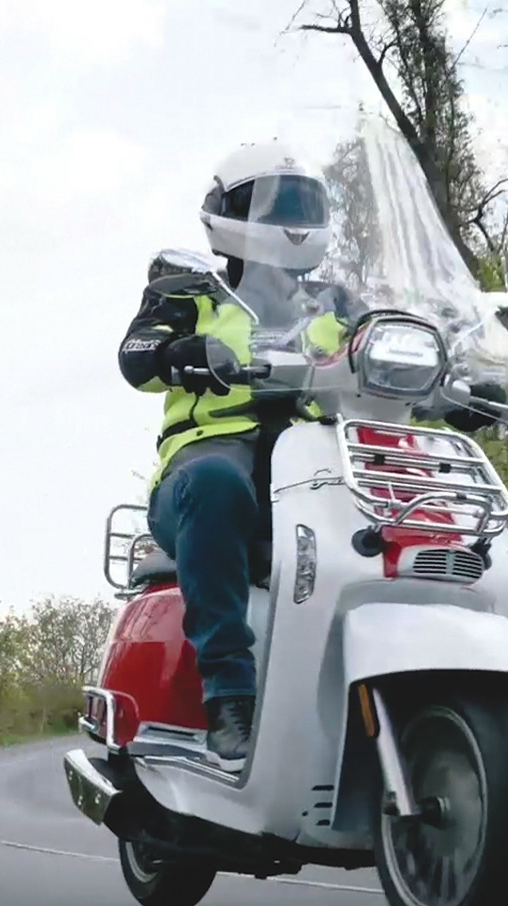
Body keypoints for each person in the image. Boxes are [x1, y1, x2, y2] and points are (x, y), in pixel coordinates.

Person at [115, 142, 365, 771]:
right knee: (218, 484)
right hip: (205, 467)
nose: (290, 219)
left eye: (302, 205)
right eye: (275, 205)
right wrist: (179, 351)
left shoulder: (337, 303)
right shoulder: (194, 290)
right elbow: (136, 356)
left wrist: (457, 370)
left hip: (317, 464)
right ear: (229, 213)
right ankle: (229, 696)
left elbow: (386, 345)